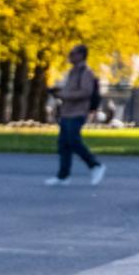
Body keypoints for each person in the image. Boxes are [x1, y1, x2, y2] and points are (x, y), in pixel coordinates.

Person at [50, 44, 107, 185]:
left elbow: (86, 92)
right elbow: (71, 89)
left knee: (74, 141)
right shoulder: (72, 72)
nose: (70, 56)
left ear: (81, 55)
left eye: (73, 53)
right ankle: (63, 176)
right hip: (67, 112)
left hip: (78, 111)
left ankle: (95, 165)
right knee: (64, 144)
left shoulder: (86, 72)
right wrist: (58, 91)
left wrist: (65, 95)